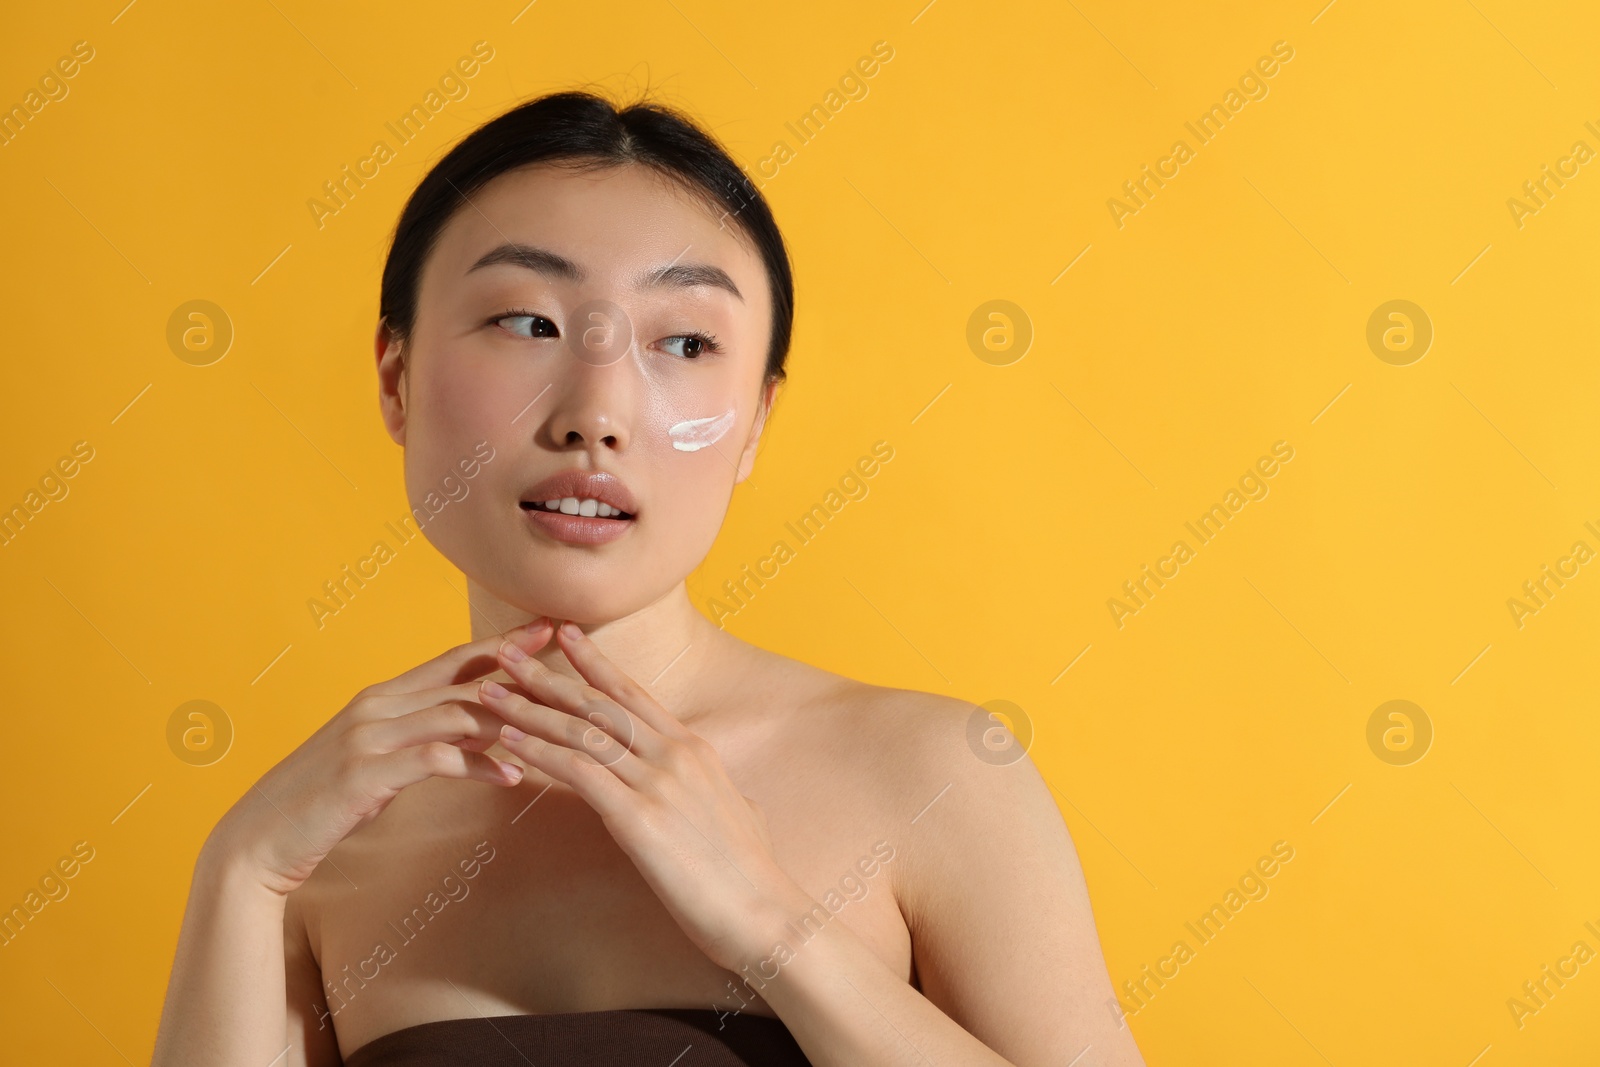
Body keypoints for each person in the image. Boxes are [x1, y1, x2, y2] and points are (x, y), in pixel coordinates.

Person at [150, 89, 1146, 1067]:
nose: (597, 411)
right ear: (394, 377)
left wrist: (767, 916)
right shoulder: (315, 846)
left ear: (754, 419)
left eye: (682, 341)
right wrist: (234, 875)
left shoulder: (937, 776)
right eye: (527, 322)